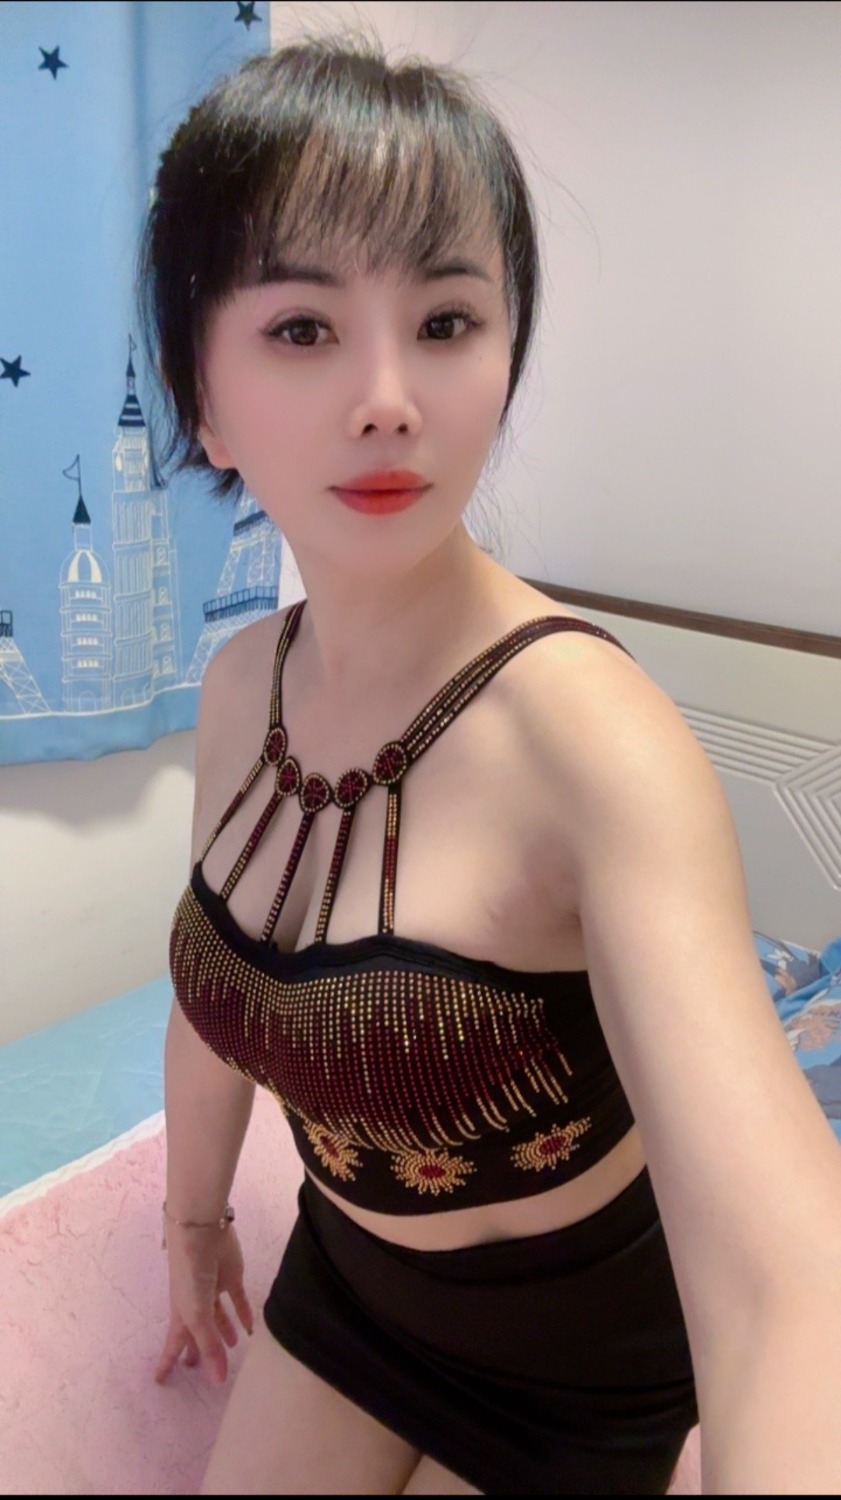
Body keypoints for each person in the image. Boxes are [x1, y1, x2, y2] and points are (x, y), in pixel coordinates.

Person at [143, 30, 841, 1498]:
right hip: (350, 1287)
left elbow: (790, 1282)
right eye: (301, 328)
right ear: (200, 395)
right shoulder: (239, 685)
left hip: (587, 1364)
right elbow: (223, 989)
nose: (389, 394)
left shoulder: (593, 738)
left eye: (447, 321)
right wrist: (193, 1222)